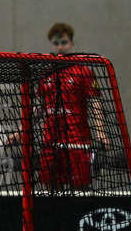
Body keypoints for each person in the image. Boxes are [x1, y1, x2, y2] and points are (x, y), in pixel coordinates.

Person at [33, 23, 105, 191]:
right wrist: (21, 130)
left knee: (80, 189)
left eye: (64, 42)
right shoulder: (46, 74)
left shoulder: (83, 71)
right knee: (50, 187)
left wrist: (101, 132)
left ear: (72, 43)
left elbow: (95, 103)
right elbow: (39, 107)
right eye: (56, 43)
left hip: (77, 142)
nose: (60, 47)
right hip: (51, 141)